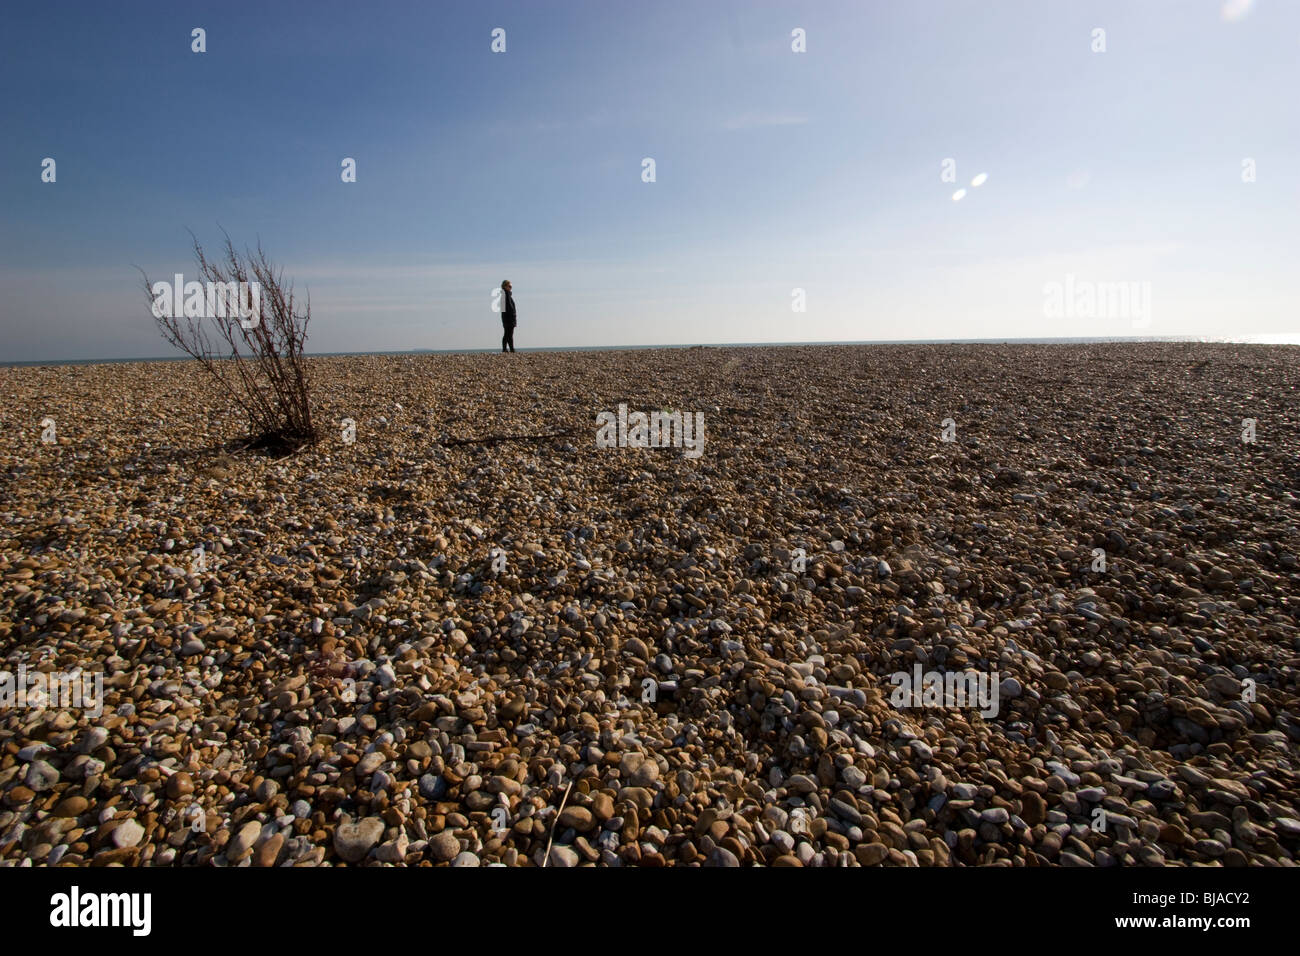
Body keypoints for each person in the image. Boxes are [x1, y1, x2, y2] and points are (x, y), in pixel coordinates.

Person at [500, 280, 516, 353]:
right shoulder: (505, 295)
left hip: (507, 317)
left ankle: (509, 349)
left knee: (508, 333)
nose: (510, 287)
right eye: (509, 286)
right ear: (505, 286)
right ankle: (507, 349)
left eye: (511, 286)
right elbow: (509, 307)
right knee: (508, 333)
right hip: (508, 317)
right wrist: (512, 315)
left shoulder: (506, 294)